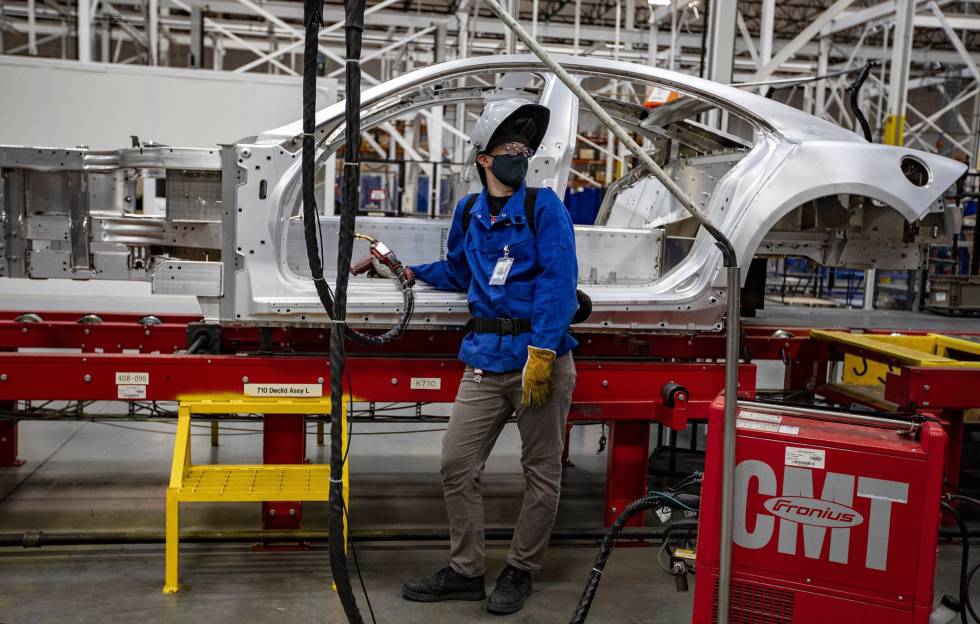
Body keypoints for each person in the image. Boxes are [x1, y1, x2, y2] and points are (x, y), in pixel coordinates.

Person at [401, 101, 579, 615]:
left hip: (537, 360)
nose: (520, 156)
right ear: (484, 159)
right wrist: (411, 271)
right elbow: (459, 271)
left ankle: (521, 569)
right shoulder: (468, 212)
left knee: (541, 470)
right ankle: (466, 571)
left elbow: (560, 283)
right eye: (509, 149)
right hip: (483, 359)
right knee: (456, 463)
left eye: (525, 149)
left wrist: (543, 351)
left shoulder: (544, 207)